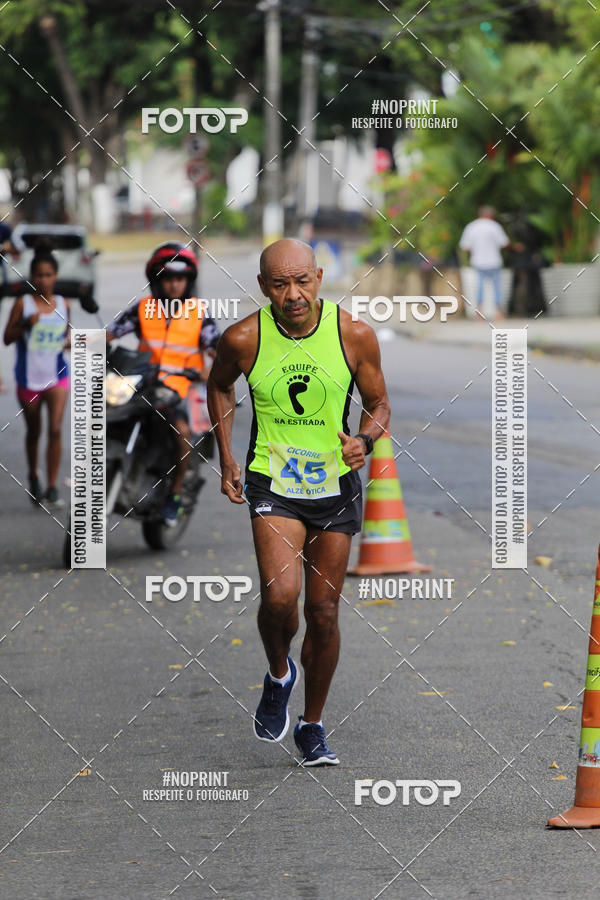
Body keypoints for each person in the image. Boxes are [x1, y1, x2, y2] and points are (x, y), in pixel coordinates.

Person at [207, 238, 390, 766]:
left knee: (324, 613)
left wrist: (365, 439)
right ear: (264, 287)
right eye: (280, 284)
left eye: (303, 281)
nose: (293, 294)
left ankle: (312, 726)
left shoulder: (353, 334)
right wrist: (227, 458)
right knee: (280, 600)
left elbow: (379, 404)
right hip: (274, 483)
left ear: (320, 276)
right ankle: (279, 672)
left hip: (334, 486)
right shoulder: (244, 338)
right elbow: (218, 387)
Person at [106, 242, 220, 526]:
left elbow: (218, 350)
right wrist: (78, 341)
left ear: (188, 281)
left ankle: (176, 495)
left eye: (179, 278)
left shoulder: (199, 313)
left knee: (182, 432)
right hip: (141, 385)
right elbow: (111, 333)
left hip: (179, 391)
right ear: (157, 280)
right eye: (168, 278)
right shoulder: (144, 308)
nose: (173, 284)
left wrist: (211, 369)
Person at [3, 238, 70, 506]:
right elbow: (7, 338)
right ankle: (33, 475)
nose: (44, 280)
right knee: (35, 431)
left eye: (48, 275)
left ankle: (53, 485)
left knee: (55, 429)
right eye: (39, 275)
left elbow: (66, 337)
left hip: (57, 375)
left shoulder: (64, 304)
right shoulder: (23, 304)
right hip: (28, 378)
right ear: (32, 276)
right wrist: (24, 324)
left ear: (56, 276)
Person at [459, 206, 511, 319]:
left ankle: (479, 312)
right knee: (497, 287)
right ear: (490, 215)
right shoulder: (495, 226)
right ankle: (499, 313)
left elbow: (465, 246)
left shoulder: (471, 226)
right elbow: (504, 243)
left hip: (478, 261)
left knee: (480, 286)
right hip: (494, 261)